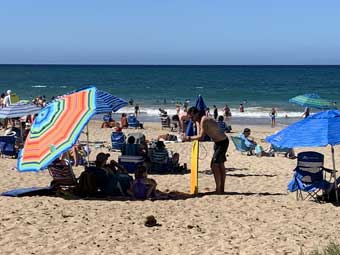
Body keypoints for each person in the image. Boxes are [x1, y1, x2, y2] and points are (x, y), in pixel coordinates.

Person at [183, 106, 229, 194]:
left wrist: (188, 138)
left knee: (214, 165)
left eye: (192, 117)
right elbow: (198, 133)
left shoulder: (204, 120)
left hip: (222, 142)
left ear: (196, 114)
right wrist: (195, 123)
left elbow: (201, 137)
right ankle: (221, 189)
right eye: (190, 117)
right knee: (220, 165)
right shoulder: (199, 120)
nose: (191, 119)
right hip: (218, 142)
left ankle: (219, 189)